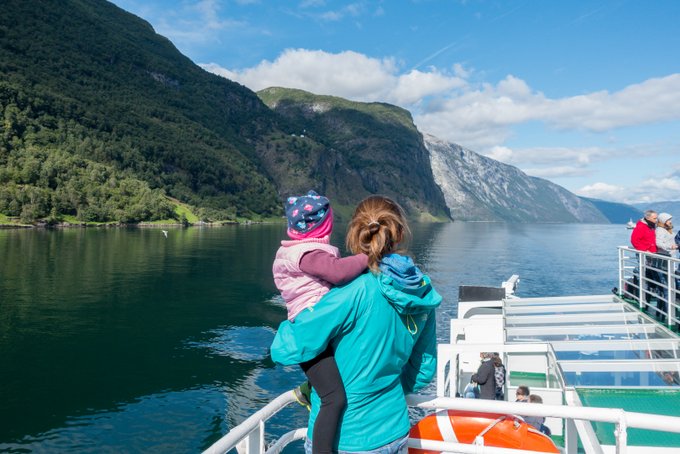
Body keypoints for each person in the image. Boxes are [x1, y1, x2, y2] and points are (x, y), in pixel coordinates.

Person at [270, 195, 441, 453]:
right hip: (395, 430)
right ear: (401, 232)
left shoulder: (349, 293)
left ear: (355, 233)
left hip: (347, 439)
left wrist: (292, 321)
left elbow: (289, 347)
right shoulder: (422, 291)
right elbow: (423, 369)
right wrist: (383, 394)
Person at [272, 190, 368, 454]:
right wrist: (366, 258)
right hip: (312, 332)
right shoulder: (308, 254)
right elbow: (338, 273)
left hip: (314, 330)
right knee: (334, 399)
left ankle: (307, 389)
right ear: (324, 225)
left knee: (333, 370)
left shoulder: (298, 252)